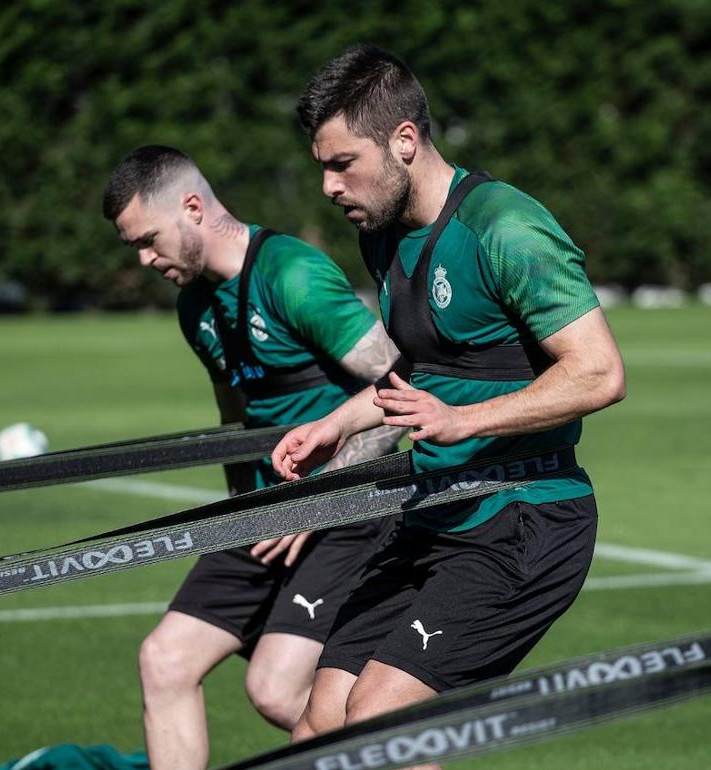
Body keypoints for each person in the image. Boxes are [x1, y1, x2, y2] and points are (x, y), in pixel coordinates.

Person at [269, 45, 627, 753]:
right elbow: (422, 373)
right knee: (318, 724)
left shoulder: (506, 227)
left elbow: (598, 374)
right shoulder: (384, 236)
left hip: (526, 520)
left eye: (342, 163)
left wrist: (461, 421)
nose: (329, 187)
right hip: (439, 513)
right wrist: (334, 426)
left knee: (379, 721)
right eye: (321, 167)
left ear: (404, 141)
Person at [102, 146, 403, 770]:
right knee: (165, 660)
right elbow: (234, 421)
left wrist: (319, 503)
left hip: (351, 511)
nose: (144, 259)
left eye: (150, 240)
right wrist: (242, 508)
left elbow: (399, 388)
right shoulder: (196, 308)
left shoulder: (290, 273)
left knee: (277, 690)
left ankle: (414, 754)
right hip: (266, 514)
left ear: (193, 208)